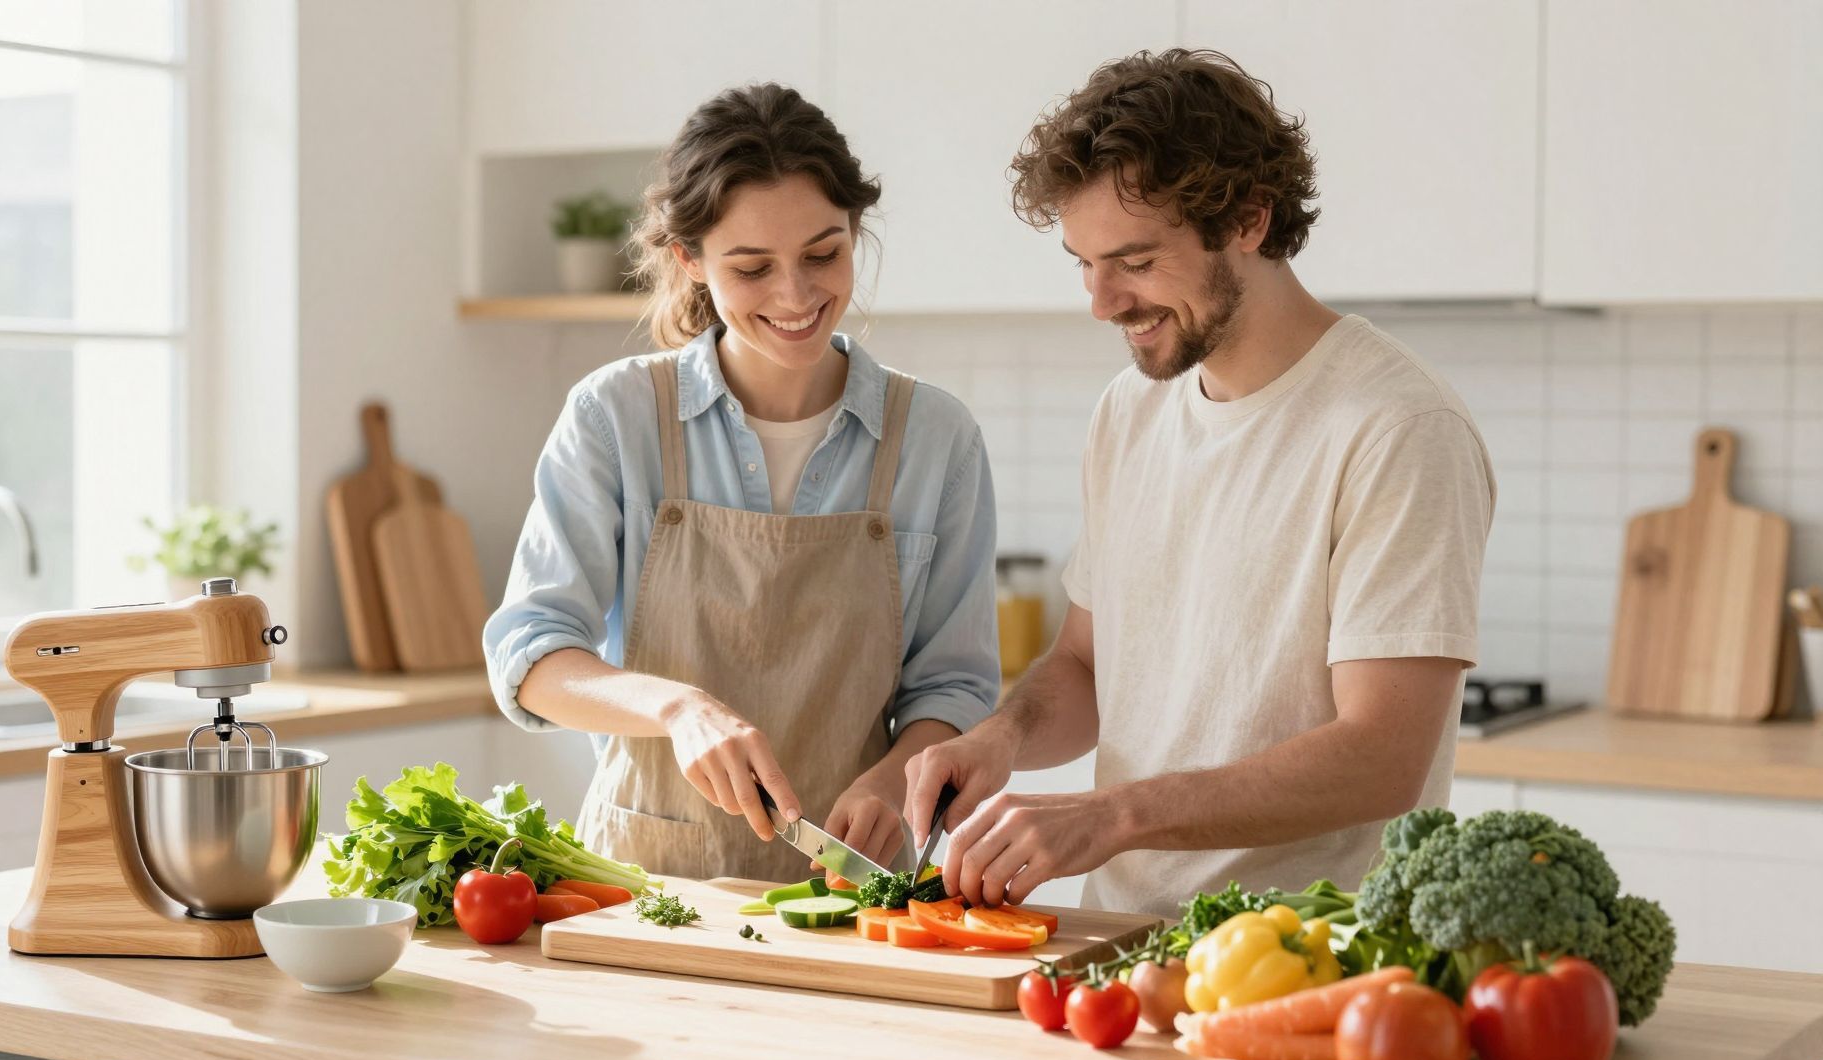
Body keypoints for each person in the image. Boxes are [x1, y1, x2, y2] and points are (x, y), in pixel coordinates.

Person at [904, 49, 1496, 914]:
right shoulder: (1130, 411)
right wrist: (1001, 737)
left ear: (1250, 221)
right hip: (1116, 950)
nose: (1102, 302)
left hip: (1305, 962)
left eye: (1136, 262)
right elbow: (1085, 663)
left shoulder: (1398, 429)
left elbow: (1384, 754)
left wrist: (1112, 816)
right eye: (1083, 262)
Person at [485, 83, 999, 882]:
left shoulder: (937, 438)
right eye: (753, 267)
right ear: (689, 259)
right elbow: (532, 656)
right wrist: (675, 708)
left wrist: (896, 776)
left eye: (823, 254)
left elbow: (956, 687)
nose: (797, 297)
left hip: (850, 882)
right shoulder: (615, 417)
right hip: (646, 885)